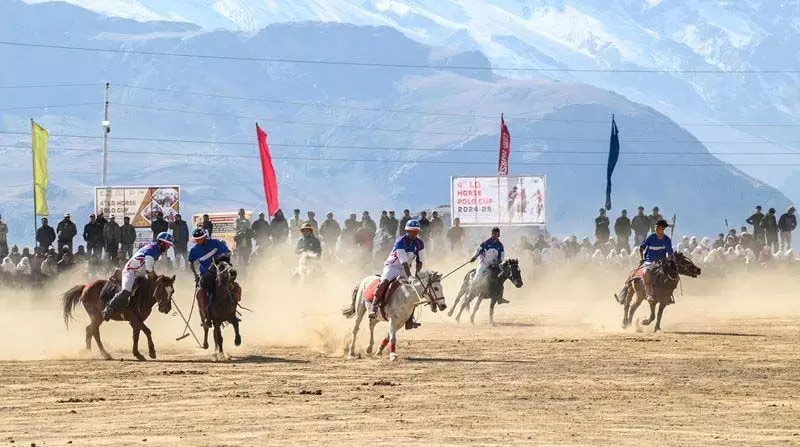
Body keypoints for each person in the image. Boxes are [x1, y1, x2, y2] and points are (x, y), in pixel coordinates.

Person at [102, 232, 174, 320]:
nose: (168, 247)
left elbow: (149, 271)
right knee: (126, 291)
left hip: (140, 272)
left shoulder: (156, 250)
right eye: (167, 245)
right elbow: (149, 271)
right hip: (131, 271)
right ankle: (109, 307)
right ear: (162, 243)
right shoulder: (153, 250)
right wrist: (159, 281)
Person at [370, 219, 425, 321]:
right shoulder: (401, 241)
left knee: (411, 291)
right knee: (384, 282)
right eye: (411, 231)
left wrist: (417, 275)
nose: (414, 234)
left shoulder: (420, 243)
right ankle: (374, 306)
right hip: (392, 266)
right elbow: (403, 261)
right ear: (406, 231)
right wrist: (409, 276)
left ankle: (410, 318)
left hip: (405, 269)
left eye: (416, 232)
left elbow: (420, 261)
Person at [188, 228, 231, 328]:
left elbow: (227, 252)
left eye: (201, 238)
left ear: (205, 237)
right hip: (205, 275)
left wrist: (224, 264)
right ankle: (206, 318)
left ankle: (232, 310)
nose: (199, 240)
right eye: (197, 239)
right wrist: (195, 275)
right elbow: (191, 261)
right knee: (200, 294)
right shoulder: (194, 250)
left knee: (232, 287)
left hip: (219, 272)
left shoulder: (215, 243)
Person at [469, 227, 508, 304]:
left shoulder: (500, 245)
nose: (494, 235)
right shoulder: (486, 242)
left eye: (496, 233)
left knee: (500, 279)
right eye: (493, 233)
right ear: (491, 233)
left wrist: (498, 262)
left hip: (495, 265)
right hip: (484, 263)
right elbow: (478, 250)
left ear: (498, 234)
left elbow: (502, 257)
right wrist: (474, 257)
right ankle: (472, 289)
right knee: (479, 272)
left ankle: (500, 297)